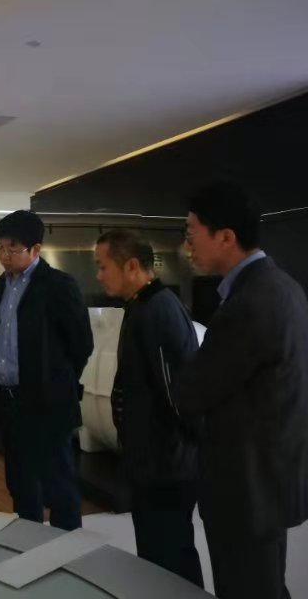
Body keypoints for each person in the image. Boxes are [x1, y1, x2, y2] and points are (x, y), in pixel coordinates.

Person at [175, 182, 308, 599]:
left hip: (247, 487)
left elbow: (192, 392)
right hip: (269, 478)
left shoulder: (249, 302)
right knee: (266, 585)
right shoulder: (283, 287)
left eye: (192, 233)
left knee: (248, 588)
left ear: (225, 236)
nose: (187, 245)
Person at [94, 229, 203, 587]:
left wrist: (179, 453)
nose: (99, 275)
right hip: (149, 464)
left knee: (171, 558)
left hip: (166, 468)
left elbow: (180, 395)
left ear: (131, 266)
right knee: (157, 558)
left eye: (103, 266)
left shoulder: (158, 309)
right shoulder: (141, 305)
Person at [0, 210, 93, 530]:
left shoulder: (58, 285)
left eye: (13, 248)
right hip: (10, 402)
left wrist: (56, 381)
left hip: (48, 404)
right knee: (20, 483)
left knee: (58, 485)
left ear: (36, 249)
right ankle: (28, 542)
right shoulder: (1, 286)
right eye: (1, 247)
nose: (5, 255)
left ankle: (65, 547)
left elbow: (81, 344)